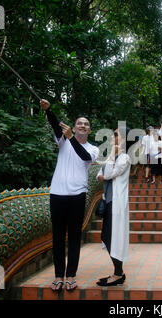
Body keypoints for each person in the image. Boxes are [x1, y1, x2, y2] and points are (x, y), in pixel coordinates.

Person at [40, 99, 99, 292]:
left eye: (86, 124)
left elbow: (83, 156)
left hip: (77, 195)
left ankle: (71, 275)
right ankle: (59, 275)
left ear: (89, 130)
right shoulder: (63, 141)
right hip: (57, 194)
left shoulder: (93, 149)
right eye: (79, 123)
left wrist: (71, 138)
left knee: (74, 236)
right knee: (57, 236)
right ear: (73, 127)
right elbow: (56, 128)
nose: (83, 125)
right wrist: (49, 111)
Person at [96, 127, 133, 286]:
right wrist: (105, 172)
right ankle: (118, 272)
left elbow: (108, 174)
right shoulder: (114, 157)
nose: (112, 136)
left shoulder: (124, 157)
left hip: (116, 202)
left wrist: (112, 154)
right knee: (107, 236)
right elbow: (99, 174)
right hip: (109, 201)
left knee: (113, 237)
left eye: (116, 134)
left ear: (123, 139)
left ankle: (118, 273)